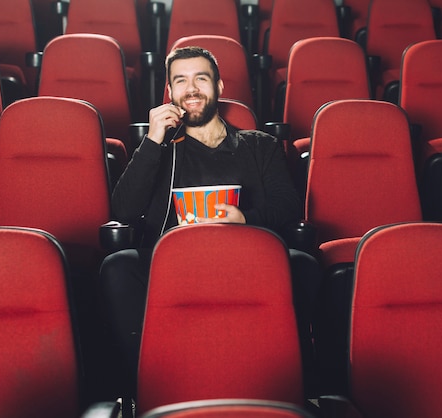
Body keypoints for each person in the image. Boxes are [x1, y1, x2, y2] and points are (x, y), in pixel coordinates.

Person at [98, 46, 321, 398]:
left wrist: (245, 218)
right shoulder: (162, 151)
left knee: (303, 264)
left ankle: (292, 393)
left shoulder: (259, 146)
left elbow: (288, 207)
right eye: (180, 81)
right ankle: (143, 391)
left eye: (200, 78)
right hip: (176, 266)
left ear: (218, 86)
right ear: (170, 93)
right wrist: (154, 140)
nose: (191, 89)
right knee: (118, 266)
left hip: (250, 263)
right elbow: (124, 211)